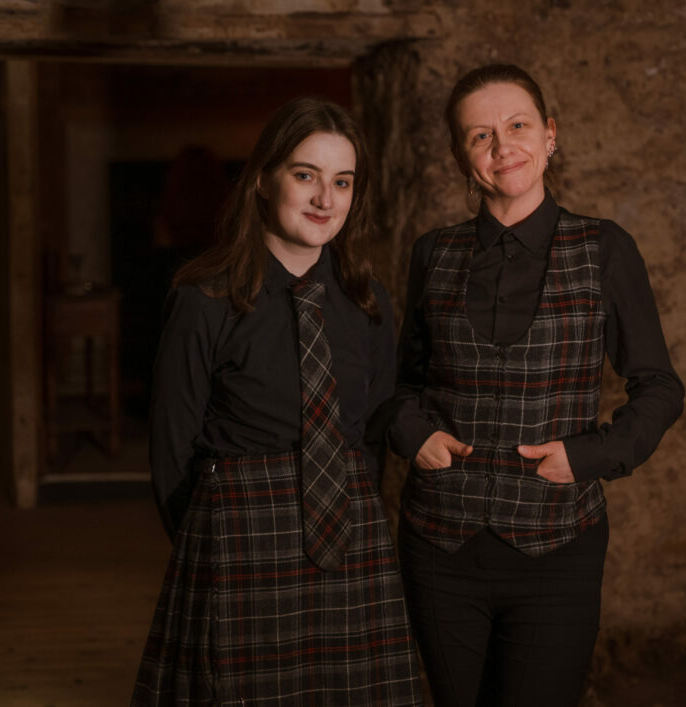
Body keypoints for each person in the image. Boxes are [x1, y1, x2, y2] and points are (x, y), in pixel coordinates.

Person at [387, 64, 685, 706]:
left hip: (558, 548)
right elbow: (402, 383)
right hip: (440, 543)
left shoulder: (605, 250)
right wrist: (413, 433)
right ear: (461, 157)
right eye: (480, 136)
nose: (503, 147)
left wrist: (590, 456)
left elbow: (660, 386)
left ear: (549, 136)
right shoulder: (431, 254)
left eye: (517, 125)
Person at [132, 97, 422, 706]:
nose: (325, 198)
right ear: (264, 180)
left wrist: (347, 508)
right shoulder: (204, 299)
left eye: (341, 182)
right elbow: (171, 446)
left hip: (348, 532)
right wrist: (210, 546)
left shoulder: (368, 303)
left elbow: (371, 430)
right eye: (305, 175)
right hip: (239, 540)